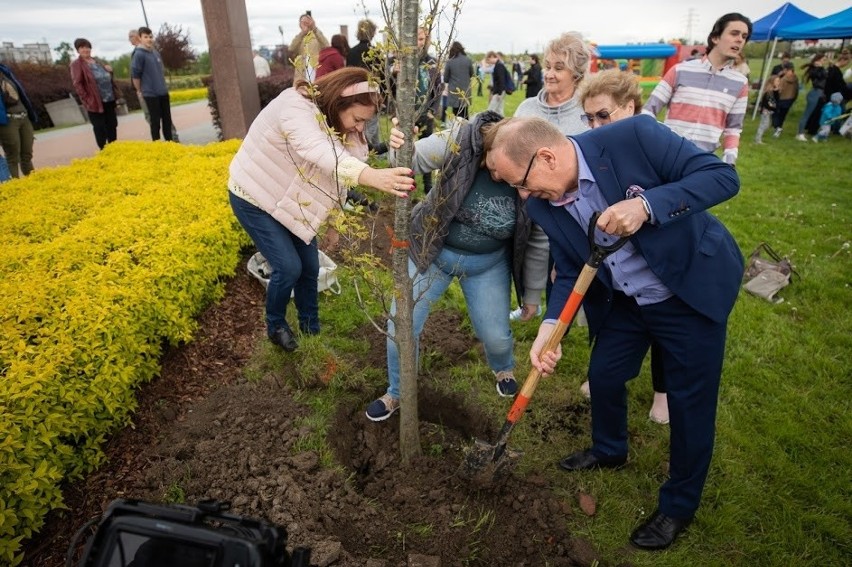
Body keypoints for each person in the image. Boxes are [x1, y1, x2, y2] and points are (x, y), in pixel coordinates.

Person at [484, 115, 743, 551]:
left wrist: (646, 206)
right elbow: (570, 268)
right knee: (603, 376)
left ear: (546, 157)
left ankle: (678, 504)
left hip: (687, 290)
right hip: (626, 300)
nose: (523, 197)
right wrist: (551, 328)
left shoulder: (634, 136)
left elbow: (721, 176)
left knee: (689, 402)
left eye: (522, 183)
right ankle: (609, 451)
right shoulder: (543, 204)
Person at [365, 111, 536, 421]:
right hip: (430, 255)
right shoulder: (460, 139)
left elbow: (538, 238)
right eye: (497, 167)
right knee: (399, 327)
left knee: (495, 335)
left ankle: (503, 368)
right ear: (491, 145)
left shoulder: (530, 174)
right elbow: (411, 161)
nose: (501, 178)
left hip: (487, 265)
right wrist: (400, 146)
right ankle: (397, 392)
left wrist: (533, 293)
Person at [228, 67, 414, 352]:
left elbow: (339, 175)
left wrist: (334, 222)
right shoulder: (294, 106)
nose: (361, 127)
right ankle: (276, 325)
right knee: (288, 267)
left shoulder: (340, 126)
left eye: (366, 121)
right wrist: (373, 177)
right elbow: (320, 152)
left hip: (289, 203)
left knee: (310, 268)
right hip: (254, 197)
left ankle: (310, 332)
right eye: (358, 119)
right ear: (339, 102)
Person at [576, 69, 672, 423]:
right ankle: (609, 373)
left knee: (665, 325)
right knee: (619, 313)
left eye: (604, 115)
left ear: (629, 107)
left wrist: (646, 208)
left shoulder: (653, 142)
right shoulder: (594, 149)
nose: (595, 125)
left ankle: (663, 392)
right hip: (619, 264)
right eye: (589, 118)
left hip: (662, 261)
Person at [511, 32, 590, 322]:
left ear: (577, 74)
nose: (550, 74)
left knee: (571, 259)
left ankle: (575, 312)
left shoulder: (586, 112)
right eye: (548, 66)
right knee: (533, 246)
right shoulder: (527, 109)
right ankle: (530, 305)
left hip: (576, 206)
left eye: (559, 68)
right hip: (534, 199)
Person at [643, 13, 751, 166]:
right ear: (715, 38)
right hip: (665, 155)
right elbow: (648, 111)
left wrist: (729, 161)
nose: (740, 39)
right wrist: (650, 142)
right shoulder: (679, 70)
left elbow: (733, 129)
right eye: (734, 33)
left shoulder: (740, 83)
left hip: (701, 163)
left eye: (744, 36)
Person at [390, 27, 441, 193]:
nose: (418, 43)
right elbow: (389, 90)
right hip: (406, 114)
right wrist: (394, 74)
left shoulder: (432, 63)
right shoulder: (401, 61)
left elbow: (438, 88)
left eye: (422, 39)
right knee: (405, 148)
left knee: (427, 148)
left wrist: (433, 109)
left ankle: (428, 185)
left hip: (425, 113)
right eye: (416, 39)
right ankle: (406, 182)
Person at [70, 38, 119, 150]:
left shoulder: (97, 61)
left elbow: (106, 77)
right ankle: (104, 150)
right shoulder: (77, 64)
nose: (85, 50)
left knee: (112, 125)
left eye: (87, 47)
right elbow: (78, 84)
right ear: (78, 50)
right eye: (82, 47)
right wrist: (87, 99)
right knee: (99, 128)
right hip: (95, 101)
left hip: (109, 99)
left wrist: (110, 71)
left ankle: (114, 149)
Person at [346, 19, 384, 154]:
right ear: (372, 33)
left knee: (365, 130)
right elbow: (383, 77)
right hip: (372, 96)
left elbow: (347, 76)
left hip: (354, 97)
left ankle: (371, 155)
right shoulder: (376, 52)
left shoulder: (351, 52)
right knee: (371, 130)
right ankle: (368, 156)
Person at [131, 26, 174, 142]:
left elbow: (161, 71)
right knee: (155, 122)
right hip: (150, 94)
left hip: (163, 92)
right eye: (146, 37)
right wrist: (139, 90)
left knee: (167, 120)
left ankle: (170, 143)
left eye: (150, 37)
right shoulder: (138, 54)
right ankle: (157, 145)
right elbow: (135, 76)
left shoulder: (155, 53)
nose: (149, 39)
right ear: (140, 38)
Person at [0, 63, 36, 178]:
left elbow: (20, 93)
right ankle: (15, 188)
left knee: (27, 154)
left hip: (24, 116)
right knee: (12, 156)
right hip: (8, 121)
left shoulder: (4, 70)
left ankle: (34, 183)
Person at [289, 12, 329, 83]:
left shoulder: (317, 36)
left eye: (307, 22)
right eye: (303, 22)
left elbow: (326, 45)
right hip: (302, 76)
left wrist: (314, 29)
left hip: (316, 74)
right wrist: (302, 33)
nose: (305, 24)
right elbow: (291, 48)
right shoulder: (299, 38)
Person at [796, 53, 828, 141]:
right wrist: (820, 67)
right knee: (807, 114)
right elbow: (822, 76)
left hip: (818, 93)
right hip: (815, 93)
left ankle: (806, 132)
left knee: (812, 114)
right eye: (823, 59)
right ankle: (800, 133)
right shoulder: (815, 70)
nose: (824, 61)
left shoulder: (818, 69)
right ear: (818, 60)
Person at [443, 41, 474, 120]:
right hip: (465, 90)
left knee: (456, 113)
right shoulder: (468, 60)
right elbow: (472, 74)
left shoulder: (450, 62)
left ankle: (458, 130)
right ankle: (467, 130)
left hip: (454, 91)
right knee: (465, 112)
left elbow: (445, 79)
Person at [772, 61, 798, 137]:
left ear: (786, 69)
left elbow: (780, 90)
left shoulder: (783, 79)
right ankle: (779, 127)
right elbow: (796, 90)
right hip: (790, 99)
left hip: (782, 99)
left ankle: (777, 127)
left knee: (776, 114)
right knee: (783, 115)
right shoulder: (795, 78)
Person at [754, 75, 779, 144]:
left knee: (766, 125)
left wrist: (776, 91)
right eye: (777, 81)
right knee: (763, 125)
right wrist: (770, 108)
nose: (778, 82)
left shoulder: (774, 91)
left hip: (769, 111)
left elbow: (777, 99)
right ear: (772, 82)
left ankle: (758, 138)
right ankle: (757, 140)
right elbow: (765, 103)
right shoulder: (768, 92)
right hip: (766, 111)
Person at [485, 51, 511, 116]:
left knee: (490, 110)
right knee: (499, 110)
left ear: (492, 57)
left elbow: (501, 80)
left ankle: (487, 124)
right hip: (500, 91)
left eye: (488, 59)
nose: (488, 61)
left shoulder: (499, 66)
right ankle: (503, 124)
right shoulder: (498, 65)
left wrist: (499, 93)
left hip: (499, 91)